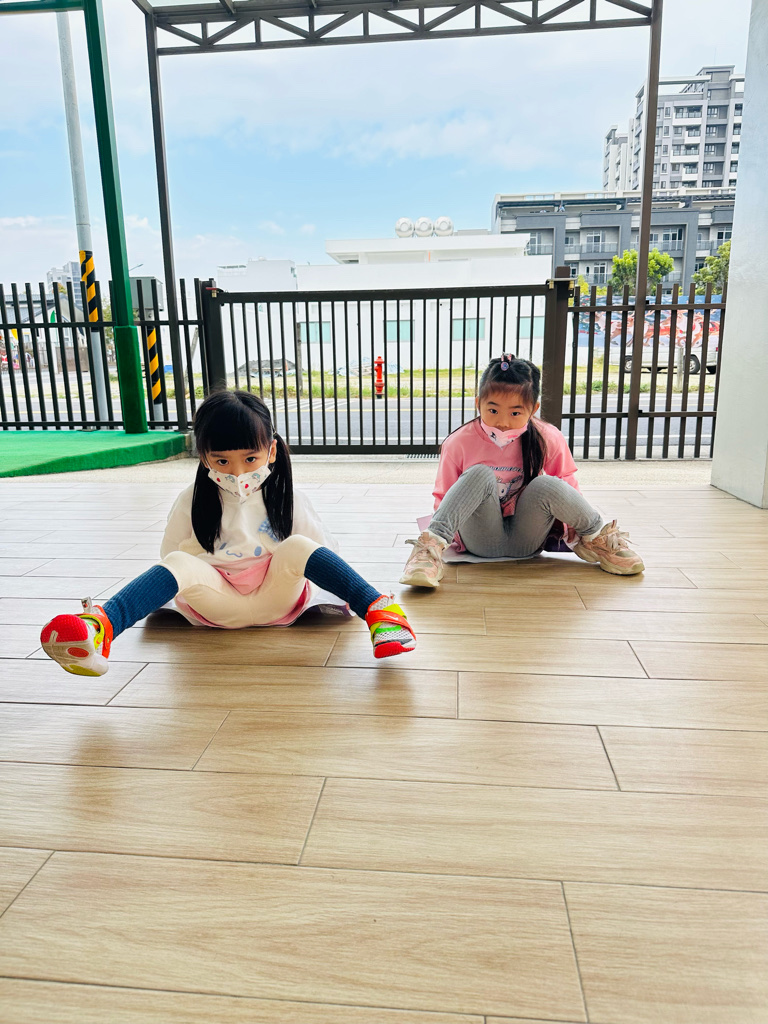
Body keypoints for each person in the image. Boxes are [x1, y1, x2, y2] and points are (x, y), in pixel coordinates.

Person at [41, 390, 416, 676]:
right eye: (222, 461)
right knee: (180, 561)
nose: (237, 473)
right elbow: (170, 559)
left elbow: (321, 554)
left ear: (271, 451)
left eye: (250, 459)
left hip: (277, 599)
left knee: (300, 545)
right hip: (218, 607)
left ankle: (380, 612)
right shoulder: (191, 499)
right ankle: (98, 628)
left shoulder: (288, 498)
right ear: (204, 457)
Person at [400, 353, 644, 587]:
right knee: (478, 473)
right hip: (480, 539)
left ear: (533, 409)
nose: (503, 422)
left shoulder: (548, 437)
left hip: (527, 539)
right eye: (493, 410)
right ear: (478, 403)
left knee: (546, 483)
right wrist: (448, 541)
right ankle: (428, 550)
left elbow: (567, 488)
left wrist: (575, 532)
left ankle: (598, 539)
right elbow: (445, 496)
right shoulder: (459, 442)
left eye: (515, 412)